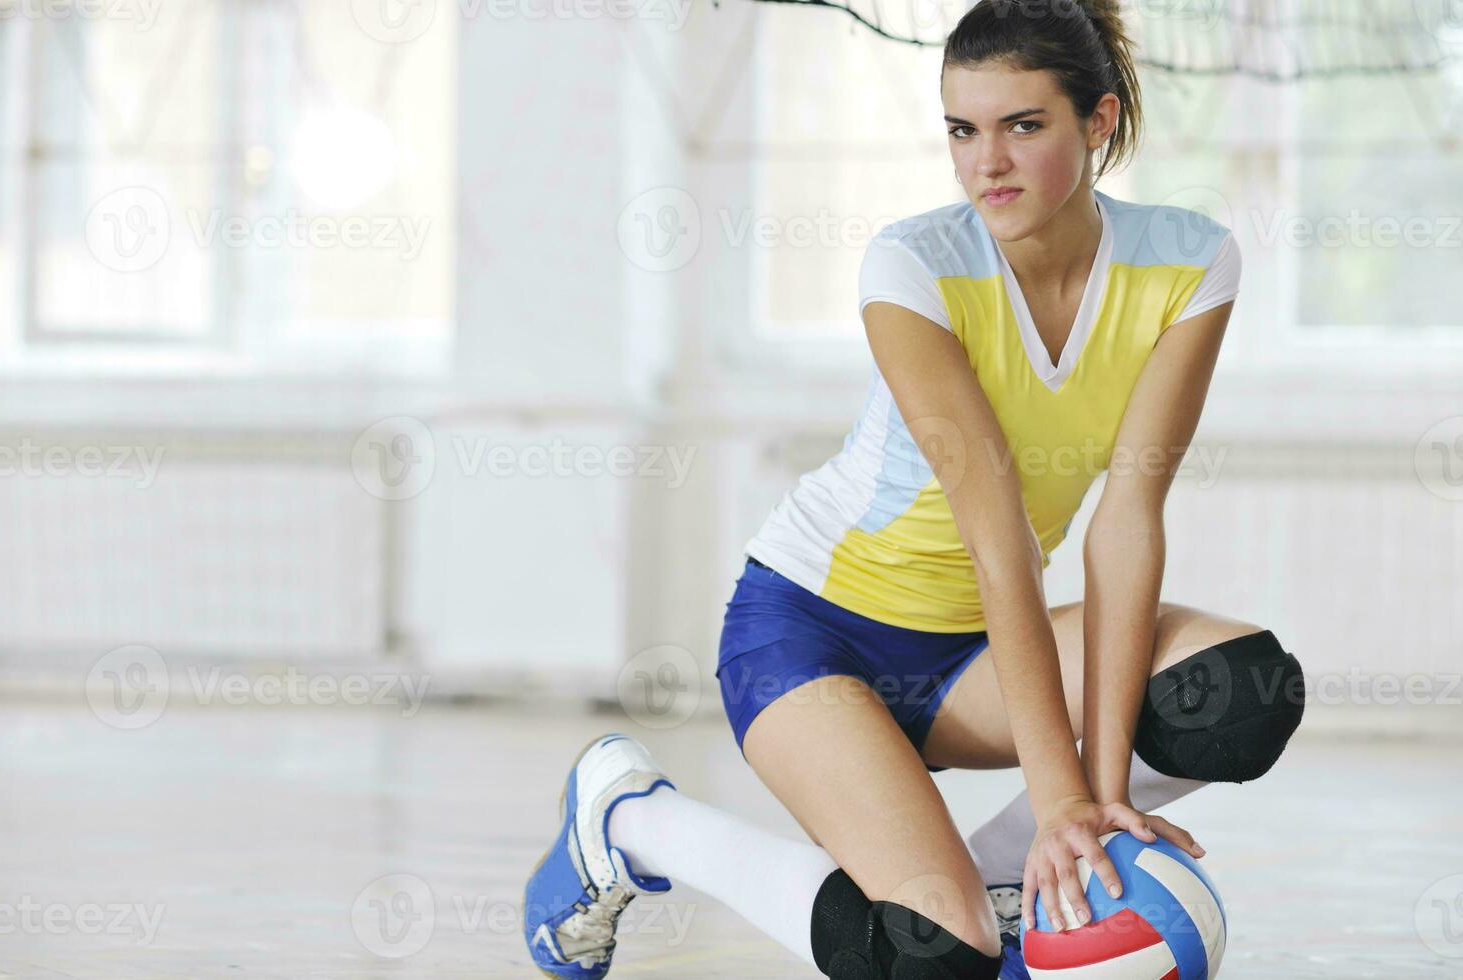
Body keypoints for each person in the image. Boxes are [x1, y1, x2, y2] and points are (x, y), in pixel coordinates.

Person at [524, 1, 1306, 977]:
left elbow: (1125, 525)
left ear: (1098, 122)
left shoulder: (1189, 263)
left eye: (1025, 126)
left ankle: (1005, 880)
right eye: (962, 130)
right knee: (933, 956)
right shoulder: (916, 267)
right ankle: (632, 817)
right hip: (811, 636)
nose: (988, 163)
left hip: (970, 664)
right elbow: (998, 539)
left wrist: (1097, 799)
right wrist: (1057, 795)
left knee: (1235, 691)